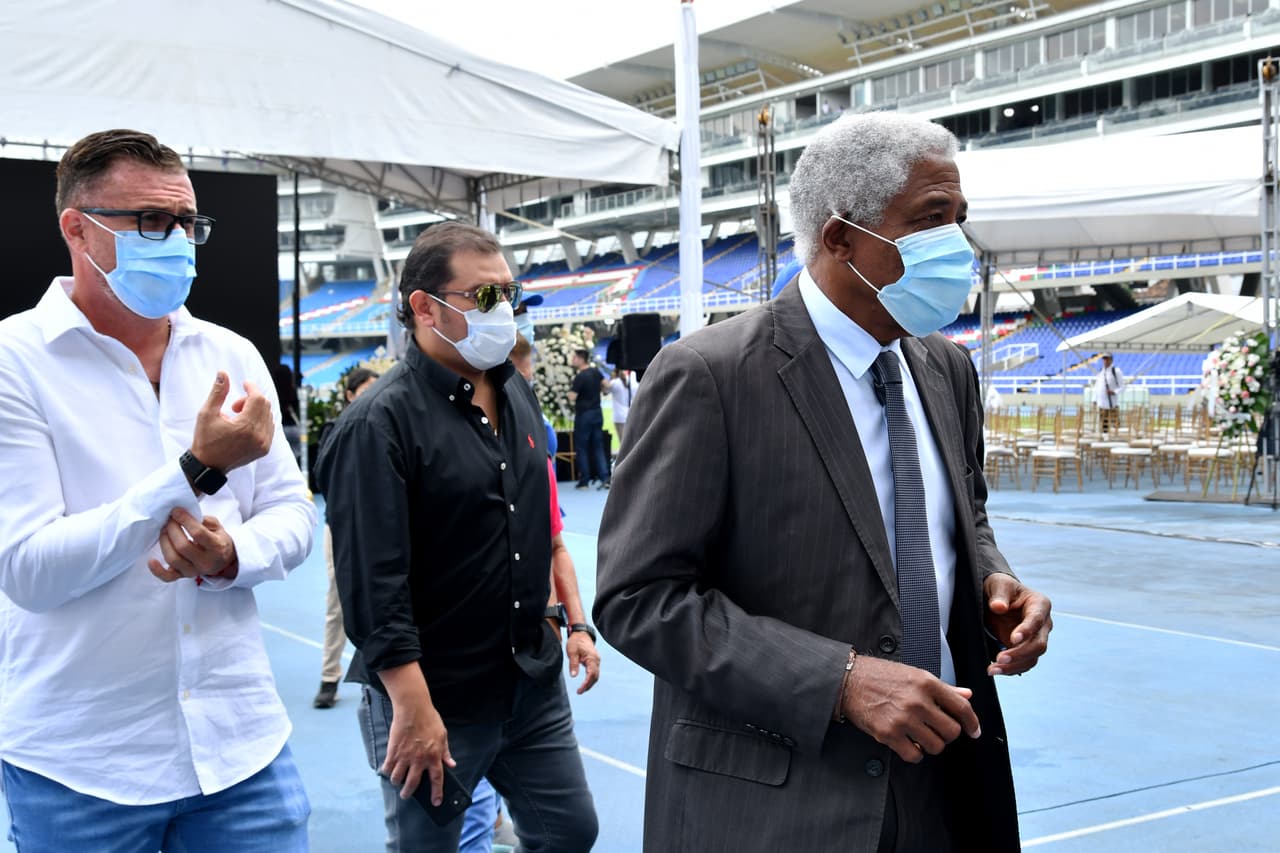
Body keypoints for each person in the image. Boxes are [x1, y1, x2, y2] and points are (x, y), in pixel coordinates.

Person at [595, 112, 1052, 852]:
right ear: (841, 237)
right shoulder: (711, 375)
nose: (957, 247)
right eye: (930, 220)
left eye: (959, 220)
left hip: (945, 786)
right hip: (778, 804)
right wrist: (838, 680)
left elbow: (963, 513)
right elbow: (638, 599)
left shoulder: (946, 368)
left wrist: (995, 582)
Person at [0, 128, 317, 851]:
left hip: (241, 748)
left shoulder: (231, 354)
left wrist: (232, 553)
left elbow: (294, 512)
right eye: (150, 220)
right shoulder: (14, 363)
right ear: (75, 229)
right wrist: (193, 472)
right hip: (79, 766)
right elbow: (26, 568)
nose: (176, 239)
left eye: (185, 222)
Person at [316, 222, 597, 853]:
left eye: (510, 292)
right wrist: (413, 710)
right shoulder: (377, 425)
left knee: (570, 832)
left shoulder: (514, 391)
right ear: (424, 307)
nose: (507, 311)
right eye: (485, 296)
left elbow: (534, 529)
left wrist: (568, 622)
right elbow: (372, 583)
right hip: (434, 694)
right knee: (429, 849)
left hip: (528, 681)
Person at [313, 366, 379, 709]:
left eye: (375, 388)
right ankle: (329, 676)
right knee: (338, 601)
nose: (371, 395)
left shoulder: (390, 427)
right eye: (364, 389)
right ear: (350, 395)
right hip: (342, 527)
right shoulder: (335, 431)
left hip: (384, 528)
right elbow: (325, 480)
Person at [568, 348, 610, 489]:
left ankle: (584, 480)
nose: (573, 360)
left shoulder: (580, 377)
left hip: (584, 415)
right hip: (597, 413)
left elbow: (572, 396)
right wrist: (601, 391)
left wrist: (568, 394)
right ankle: (605, 477)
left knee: (582, 448)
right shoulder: (595, 372)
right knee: (598, 447)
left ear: (581, 359)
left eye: (575, 357)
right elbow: (606, 386)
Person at [1094, 352, 1124, 434]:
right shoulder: (1101, 372)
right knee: (1104, 425)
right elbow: (1097, 387)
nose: (1105, 361)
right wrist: (1095, 400)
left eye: (1107, 359)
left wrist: (1114, 391)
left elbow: (1122, 386)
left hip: (1112, 404)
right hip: (1102, 404)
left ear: (1111, 360)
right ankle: (1105, 440)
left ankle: (1117, 439)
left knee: (1115, 424)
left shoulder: (1116, 371)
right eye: (1104, 359)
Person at [607, 367, 637, 444]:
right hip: (632, 414)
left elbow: (605, 390)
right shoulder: (633, 381)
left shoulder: (614, 382)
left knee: (624, 443)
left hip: (620, 416)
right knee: (633, 441)